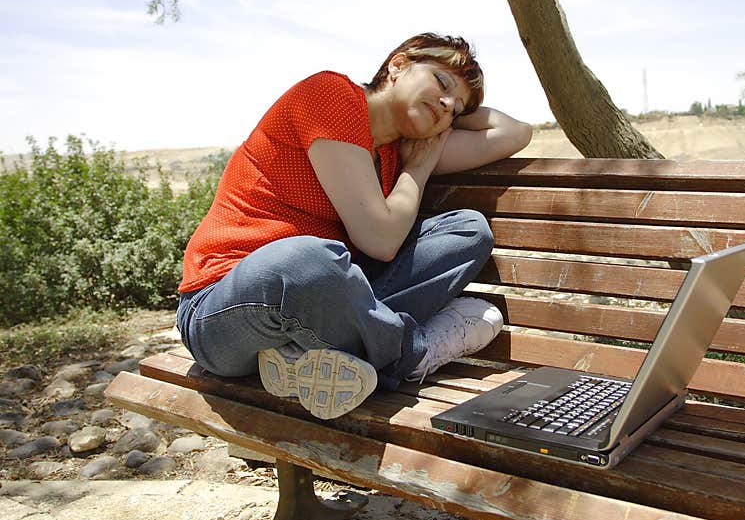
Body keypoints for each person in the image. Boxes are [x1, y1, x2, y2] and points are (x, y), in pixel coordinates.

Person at [176, 32, 533, 420]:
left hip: (314, 315)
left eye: (456, 109)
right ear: (398, 65)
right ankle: (413, 352)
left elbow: (516, 132)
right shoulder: (330, 96)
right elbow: (379, 240)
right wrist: (418, 169)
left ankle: (304, 357)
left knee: (468, 229)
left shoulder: (399, 150)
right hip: (223, 309)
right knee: (306, 256)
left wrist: (445, 116)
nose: (447, 105)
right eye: (442, 82)